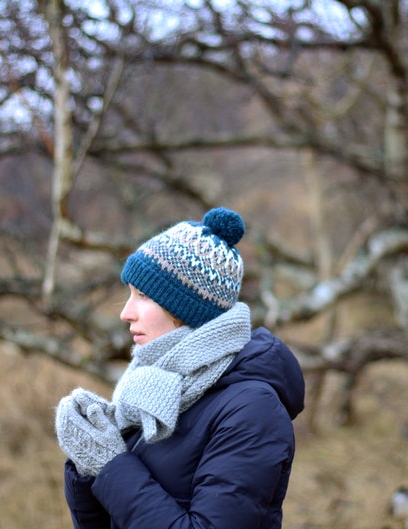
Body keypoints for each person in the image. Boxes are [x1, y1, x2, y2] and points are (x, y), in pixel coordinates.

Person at [54, 207, 305, 529]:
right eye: (129, 295)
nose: (126, 313)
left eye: (143, 296)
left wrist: (111, 467)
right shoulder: (151, 388)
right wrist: (86, 462)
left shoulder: (253, 410)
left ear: (186, 308)